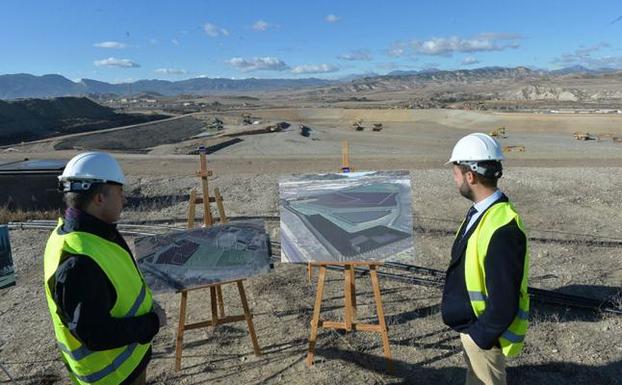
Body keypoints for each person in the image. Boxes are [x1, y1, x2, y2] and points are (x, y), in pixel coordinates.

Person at [43, 152, 164, 385]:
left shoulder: (88, 235)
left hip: (127, 367)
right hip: (114, 377)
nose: (124, 201)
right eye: (120, 194)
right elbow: (96, 334)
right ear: (99, 198)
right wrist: (152, 322)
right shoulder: (78, 261)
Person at [441, 133, 529, 385]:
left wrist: (479, 336)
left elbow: (505, 301)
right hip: (473, 329)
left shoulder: (502, 227)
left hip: (483, 336)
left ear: (471, 176)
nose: (454, 179)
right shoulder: (482, 214)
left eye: (456, 172)